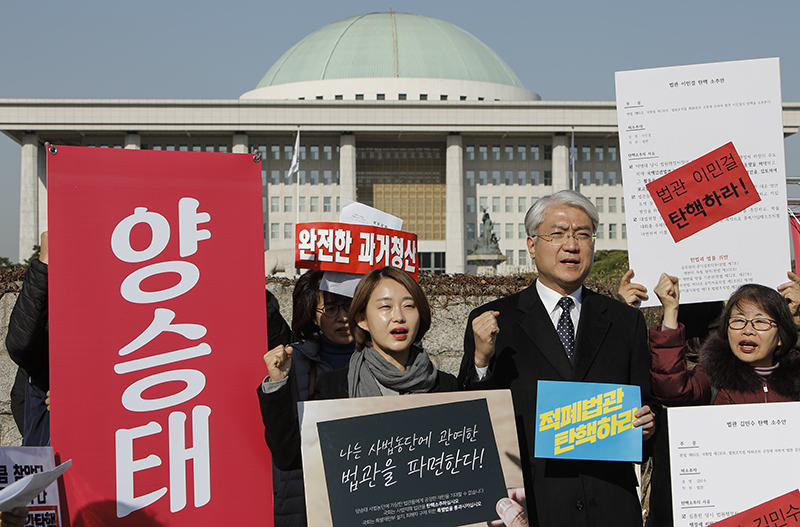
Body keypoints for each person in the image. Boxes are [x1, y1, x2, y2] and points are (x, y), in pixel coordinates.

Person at [458, 190, 656, 527]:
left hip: (610, 498)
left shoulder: (625, 321)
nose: (572, 245)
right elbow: (472, 417)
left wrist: (648, 424)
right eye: (558, 234)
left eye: (582, 234)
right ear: (532, 245)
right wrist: (481, 359)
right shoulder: (495, 321)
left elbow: (645, 401)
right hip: (537, 501)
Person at [260, 266, 457, 473]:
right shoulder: (334, 387)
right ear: (362, 319)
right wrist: (278, 384)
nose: (398, 316)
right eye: (385, 307)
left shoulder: (446, 386)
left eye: (409, 306)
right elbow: (290, 456)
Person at [258, 269, 355, 527]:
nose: (344, 317)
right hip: (303, 499)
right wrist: (277, 383)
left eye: (350, 306)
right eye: (331, 309)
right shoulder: (293, 359)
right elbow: (283, 446)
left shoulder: (381, 358)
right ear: (313, 315)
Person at [650, 274, 800, 405]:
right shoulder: (712, 377)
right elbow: (673, 391)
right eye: (738, 320)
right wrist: (671, 309)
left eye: (760, 322)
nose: (747, 330)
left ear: (780, 337)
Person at [5, 232, 50, 446]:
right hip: (50, 461)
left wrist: (80, 402)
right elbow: (20, 344)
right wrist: (43, 266)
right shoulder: (51, 323)